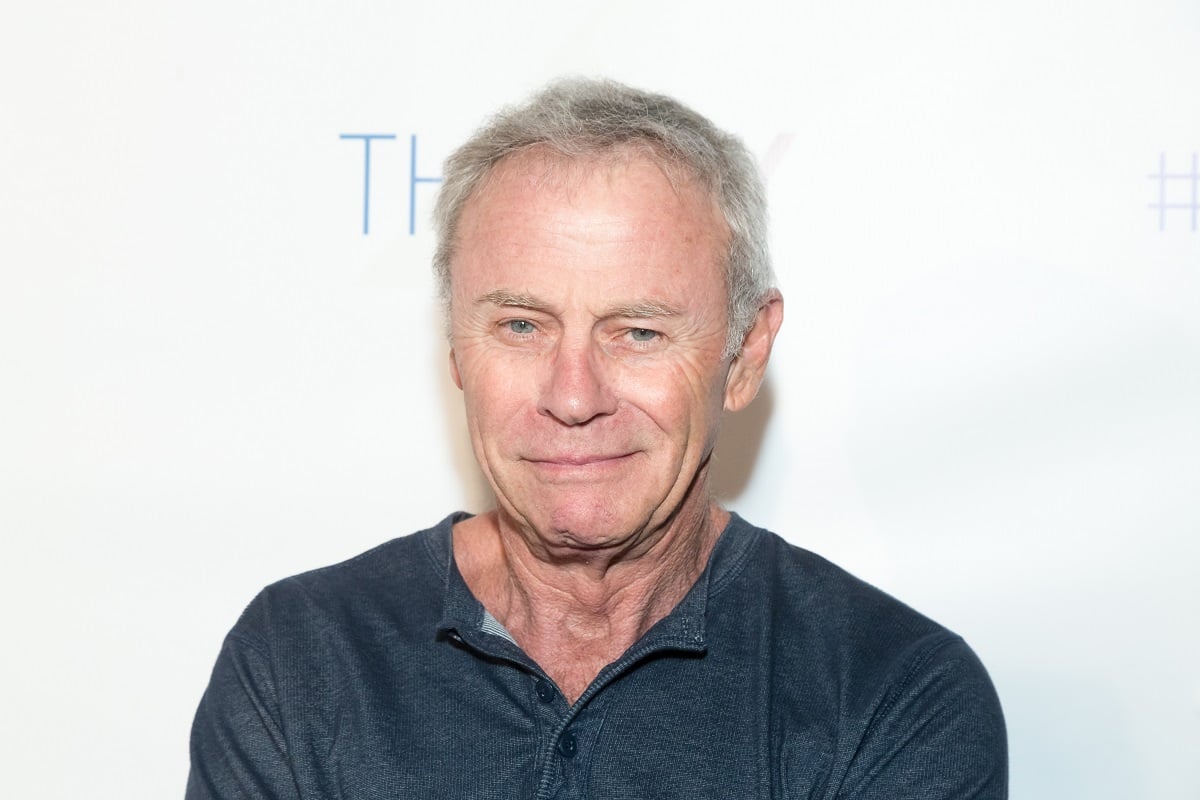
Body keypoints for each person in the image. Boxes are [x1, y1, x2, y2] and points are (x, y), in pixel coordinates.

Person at [187, 78, 1007, 799]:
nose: (572, 396)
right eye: (520, 324)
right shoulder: (302, 662)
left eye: (639, 332)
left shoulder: (891, 693)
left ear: (745, 354)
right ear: (456, 350)